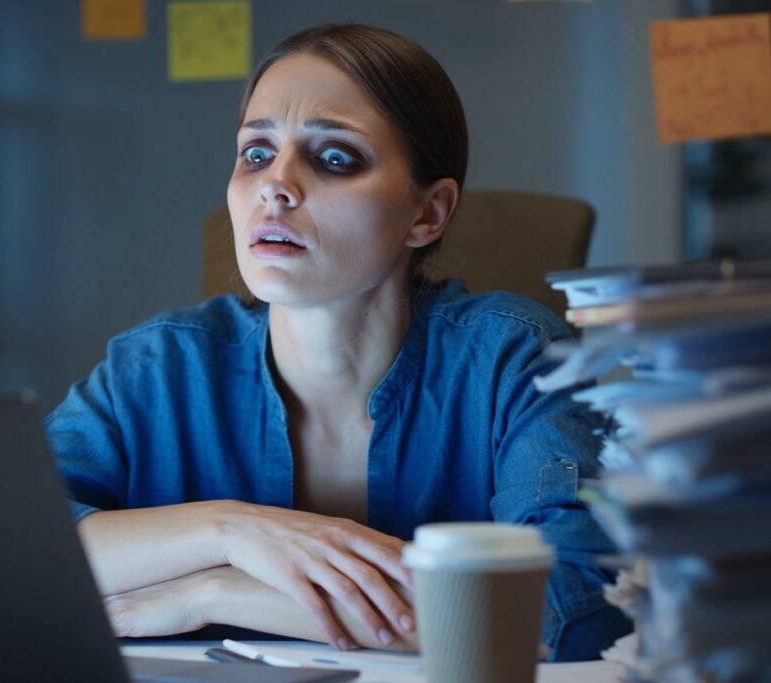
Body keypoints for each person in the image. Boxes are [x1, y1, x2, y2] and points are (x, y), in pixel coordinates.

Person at [47, 23, 631, 661]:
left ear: (427, 213)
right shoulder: (155, 368)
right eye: (256, 153)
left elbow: (577, 608)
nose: (275, 185)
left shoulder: (518, 357)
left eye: (333, 158)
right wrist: (230, 532)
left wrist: (213, 593)